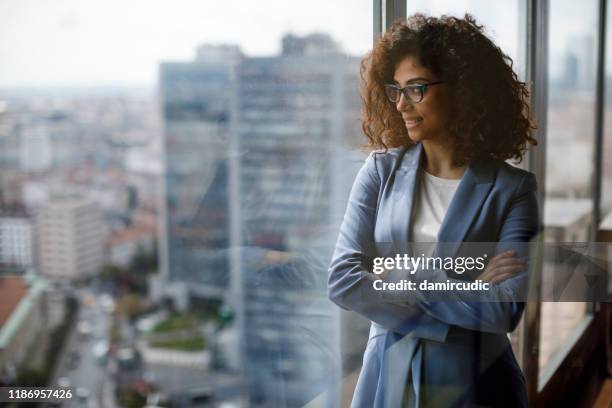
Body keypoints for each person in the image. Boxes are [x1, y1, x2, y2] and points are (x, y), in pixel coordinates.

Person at [327, 14, 539, 407]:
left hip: (478, 383)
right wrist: (471, 285)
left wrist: (398, 277)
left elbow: (504, 308)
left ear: (463, 89)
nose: (402, 103)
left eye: (417, 89)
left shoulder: (514, 189)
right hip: (387, 376)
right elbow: (342, 281)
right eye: (396, 90)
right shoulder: (379, 171)